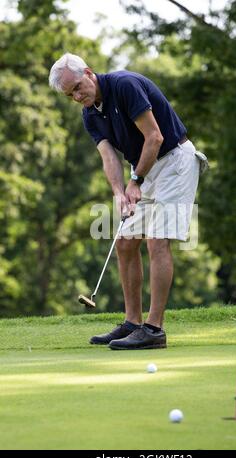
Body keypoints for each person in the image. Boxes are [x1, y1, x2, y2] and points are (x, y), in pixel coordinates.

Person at [49, 52, 208, 350]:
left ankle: (154, 328)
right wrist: (119, 192)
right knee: (124, 241)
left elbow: (155, 137)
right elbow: (108, 157)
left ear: (89, 72)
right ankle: (132, 322)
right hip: (145, 168)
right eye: (70, 95)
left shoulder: (124, 85)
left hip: (174, 161)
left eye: (78, 88)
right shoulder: (90, 114)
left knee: (157, 241)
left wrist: (135, 182)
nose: (77, 96)